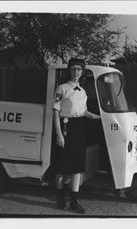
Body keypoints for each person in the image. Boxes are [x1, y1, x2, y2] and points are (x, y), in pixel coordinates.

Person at [52, 58, 101, 214]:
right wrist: (59, 134)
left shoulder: (83, 91)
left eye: (79, 69)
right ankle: (60, 199)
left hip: (79, 128)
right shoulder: (62, 88)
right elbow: (56, 111)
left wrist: (100, 117)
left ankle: (74, 201)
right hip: (66, 127)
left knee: (77, 166)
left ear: (82, 71)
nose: (76, 72)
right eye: (73, 68)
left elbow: (84, 112)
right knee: (62, 165)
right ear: (69, 70)